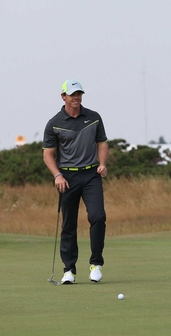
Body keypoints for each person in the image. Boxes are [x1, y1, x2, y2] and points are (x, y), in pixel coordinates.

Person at [43, 79, 108, 284]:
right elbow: (48, 155)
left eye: (79, 94)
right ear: (63, 97)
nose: (76, 98)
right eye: (72, 94)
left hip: (91, 175)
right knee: (68, 224)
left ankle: (96, 264)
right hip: (67, 178)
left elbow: (102, 142)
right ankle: (69, 270)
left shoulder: (94, 117)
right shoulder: (54, 123)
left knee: (97, 216)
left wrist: (103, 163)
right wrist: (57, 175)